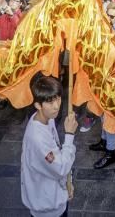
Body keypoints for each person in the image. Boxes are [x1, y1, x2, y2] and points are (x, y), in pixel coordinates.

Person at [21, 75, 77, 217]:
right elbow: (60, 167)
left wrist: (66, 184)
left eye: (58, 98)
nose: (57, 106)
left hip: (54, 196)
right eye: (50, 102)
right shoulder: (37, 138)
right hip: (47, 206)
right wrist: (69, 135)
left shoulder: (47, 119)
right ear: (38, 105)